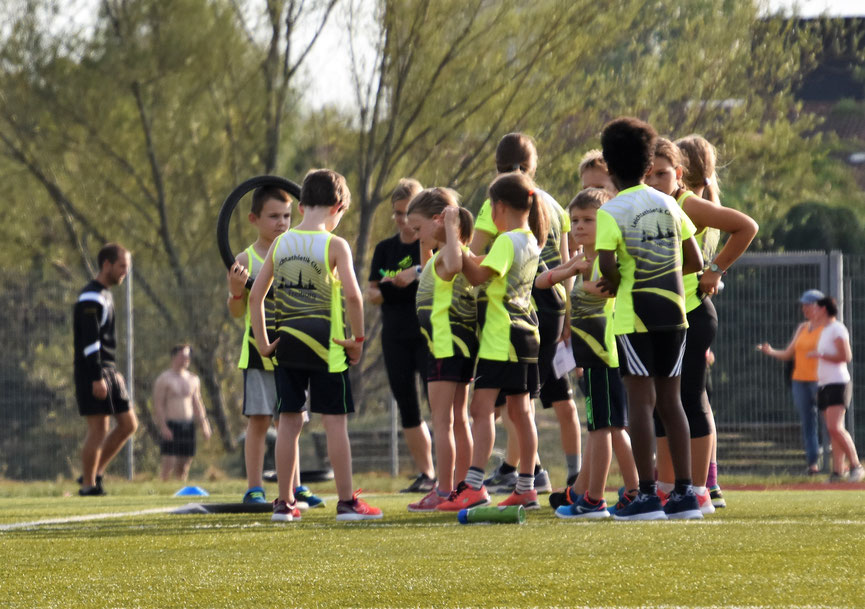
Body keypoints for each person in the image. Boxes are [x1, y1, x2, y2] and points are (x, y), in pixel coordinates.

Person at [250, 168, 382, 522]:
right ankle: (346, 503)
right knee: (335, 423)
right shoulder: (335, 245)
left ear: (303, 203)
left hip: (287, 347)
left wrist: (263, 343)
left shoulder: (280, 243)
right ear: (337, 207)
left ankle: (283, 503)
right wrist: (357, 341)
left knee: (289, 423)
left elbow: (256, 297)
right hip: (329, 349)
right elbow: (354, 297)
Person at [594, 117, 704, 520]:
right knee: (672, 401)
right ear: (646, 166)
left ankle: (644, 495)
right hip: (674, 313)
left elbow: (608, 268)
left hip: (634, 317)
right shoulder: (670, 203)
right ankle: (686, 494)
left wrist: (613, 282)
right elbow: (694, 259)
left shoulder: (612, 211)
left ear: (607, 165)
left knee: (640, 402)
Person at [646, 136, 758, 513]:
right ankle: (674, 485)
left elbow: (747, 227)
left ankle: (696, 488)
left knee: (688, 399)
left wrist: (714, 270)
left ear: (680, 170)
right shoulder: (660, 203)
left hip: (692, 312)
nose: (652, 179)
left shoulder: (688, 203)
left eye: (661, 172)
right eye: (648, 173)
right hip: (671, 313)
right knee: (668, 402)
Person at [471, 133, 580, 495]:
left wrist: (448, 253)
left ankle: (503, 475)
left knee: (492, 405)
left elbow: (477, 264)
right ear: (533, 164)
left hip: (509, 318)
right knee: (525, 404)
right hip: (543, 314)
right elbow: (563, 265)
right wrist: (568, 317)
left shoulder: (501, 208)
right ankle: (527, 478)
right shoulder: (551, 208)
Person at [438, 171, 548, 511]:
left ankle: (472, 485)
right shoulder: (531, 239)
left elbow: (474, 275)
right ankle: (527, 487)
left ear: (498, 207)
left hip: (502, 337)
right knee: (521, 411)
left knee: (481, 410)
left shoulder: (506, 240)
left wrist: (453, 236)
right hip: (527, 335)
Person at [535, 187, 639, 519]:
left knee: (600, 428)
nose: (579, 227)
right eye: (575, 220)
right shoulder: (583, 261)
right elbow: (540, 283)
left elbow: (609, 289)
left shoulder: (609, 262)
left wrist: (583, 282)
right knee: (611, 427)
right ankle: (635, 490)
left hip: (603, 355)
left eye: (588, 220)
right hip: (590, 358)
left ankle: (594, 499)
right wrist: (566, 271)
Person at [227, 185, 323, 508]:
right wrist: (235, 291)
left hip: (292, 351)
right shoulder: (246, 259)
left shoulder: (296, 252)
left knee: (291, 420)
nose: (281, 222)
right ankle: (254, 486)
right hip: (257, 353)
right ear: (254, 218)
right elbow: (237, 311)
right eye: (273, 216)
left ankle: (294, 486)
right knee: (259, 420)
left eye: (285, 215)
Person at [402, 189, 477, 511]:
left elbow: (455, 260)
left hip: (446, 347)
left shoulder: (451, 254)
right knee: (457, 420)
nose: (417, 237)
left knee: (443, 421)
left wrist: (449, 225)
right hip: (451, 347)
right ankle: (462, 488)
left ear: (437, 221)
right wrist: (435, 233)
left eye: (419, 229)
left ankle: (445, 489)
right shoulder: (437, 258)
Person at [366, 178, 436, 494]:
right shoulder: (385, 249)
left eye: (408, 212)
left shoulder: (432, 246)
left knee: (440, 405)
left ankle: (455, 477)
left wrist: (416, 275)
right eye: (397, 213)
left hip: (429, 334)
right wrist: (388, 285)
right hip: (394, 336)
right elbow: (371, 292)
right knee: (408, 407)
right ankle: (427, 474)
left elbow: (448, 268)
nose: (403, 220)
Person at [73, 243, 138, 496]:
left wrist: (109, 371)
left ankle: (94, 472)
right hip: (93, 370)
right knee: (98, 429)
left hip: (108, 369)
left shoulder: (105, 294)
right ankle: (88, 486)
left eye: (127, 266)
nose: (125, 271)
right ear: (107, 265)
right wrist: (97, 376)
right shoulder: (90, 297)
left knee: (128, 424)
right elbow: (90, 342)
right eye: (122, 266)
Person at [757, 289, 826, 475]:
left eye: (808, 304)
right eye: (803, 304)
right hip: (800, 382)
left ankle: (840, 465)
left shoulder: (829, 328)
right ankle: (813, 465)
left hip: (822, 382)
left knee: (832, 425)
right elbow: (789, 353)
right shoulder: (802, 327)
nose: (804, 308)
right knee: (808, 423)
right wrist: (770, 351)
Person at [808, 297, 863, 482]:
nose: (813, 311)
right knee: (832, 430)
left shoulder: (837, 328)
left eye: (816, 308)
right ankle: (839, 471)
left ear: (824, 309)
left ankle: (856, 466)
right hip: (825, 385)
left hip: (838, 384)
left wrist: (821, 355)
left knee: (835, 427)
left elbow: (846, 355)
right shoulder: (824, 330)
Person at [152, 344, 211, 481]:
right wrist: (163, 426)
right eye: (182, 355)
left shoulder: (193, 379)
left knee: (185, 463)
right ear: (174, 357)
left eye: (188, 356)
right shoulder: (164, 379)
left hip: (188, 425)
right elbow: (158, 405)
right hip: (172, 425)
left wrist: (204, 424)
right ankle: (163, 489)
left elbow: (198, 404)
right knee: (169, 462)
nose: (186, 358)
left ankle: (180, 490)